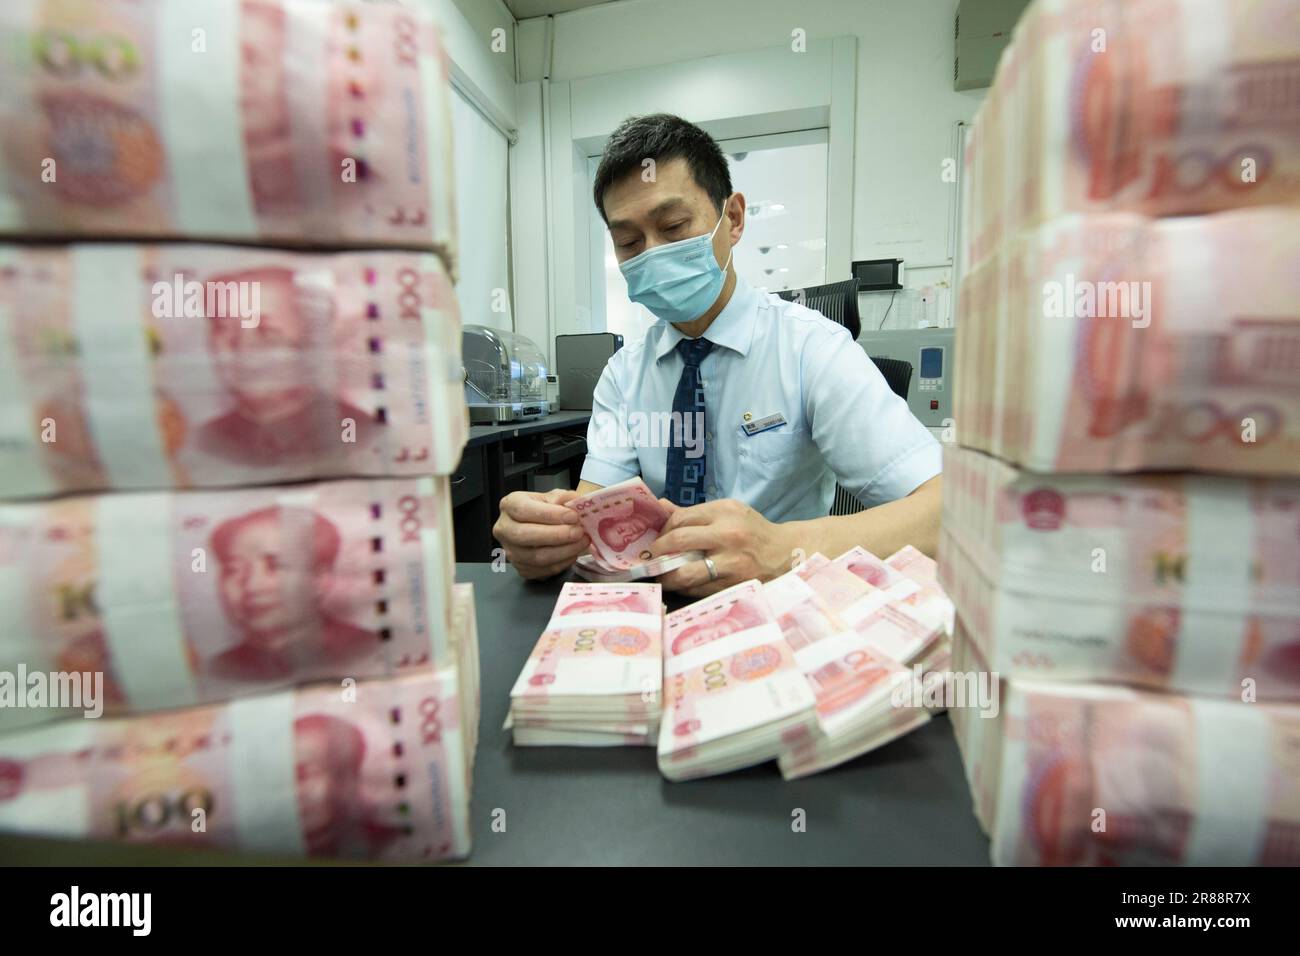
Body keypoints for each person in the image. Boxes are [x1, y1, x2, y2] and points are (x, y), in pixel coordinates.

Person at [495, 114, 942, 595]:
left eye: (673, 226)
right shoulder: (625, 374)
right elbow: (595, 512)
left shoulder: (813, 348)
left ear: (732, 219)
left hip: (782, 598)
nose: (652, 254)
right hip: (655, 603)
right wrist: (547, 541)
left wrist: (779, 548)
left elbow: (946, 512)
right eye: (628, 242)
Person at [208, 505, 377, 681]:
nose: (252, 586)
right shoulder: (220, 670)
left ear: (319, 579)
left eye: (275, 566)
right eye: (233, 570)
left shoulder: (368, 649)